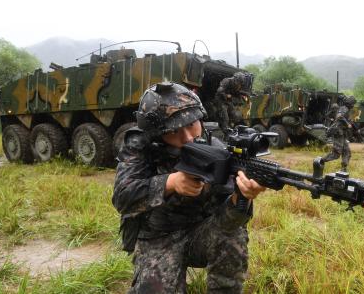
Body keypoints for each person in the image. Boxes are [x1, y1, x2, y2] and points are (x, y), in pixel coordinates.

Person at [112, 82, 266, 293]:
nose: (188, 137)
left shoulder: (215, 149)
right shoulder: (141, 146)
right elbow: (122, 198)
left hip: (201, 234)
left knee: (233, 235)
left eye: (192, 124)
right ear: (157, 133)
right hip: (158, 237)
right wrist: (170, 183)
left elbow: (227, 222)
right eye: (174, 131)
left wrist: (242, 197)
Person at [320, 96, 356, 172]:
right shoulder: (344, 108)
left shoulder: (346, 109)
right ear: (350, 104)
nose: (353, 106)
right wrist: (347, 124)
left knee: (347, 152)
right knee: (336, 154)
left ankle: (343, 169)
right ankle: (320, 161)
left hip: (342, 133)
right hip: (338, 132)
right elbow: (339, 116)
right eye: (353, 104)